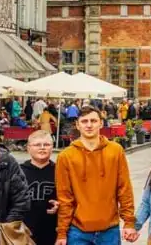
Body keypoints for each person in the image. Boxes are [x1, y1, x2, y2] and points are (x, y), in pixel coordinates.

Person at [54, 105, 137, 245]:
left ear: (101, 123)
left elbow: (124, 189)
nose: (89, 125)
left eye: (93, 121)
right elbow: (64, 197)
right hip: (78, 230)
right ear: (77, 125)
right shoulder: (66, 156)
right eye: (84, 121)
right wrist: (62, 232)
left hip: (109, 229)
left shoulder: (115, 151)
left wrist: (129, 222)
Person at [21, 130, 59, 245]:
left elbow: (69, 196)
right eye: (37, 145)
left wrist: (60, 204)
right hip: (25, 230)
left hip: (52, 230)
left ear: (52, 147)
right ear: (28, 148)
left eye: (46, 145)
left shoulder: (60, 170)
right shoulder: (18, 171)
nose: (42, 148)